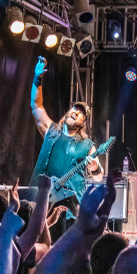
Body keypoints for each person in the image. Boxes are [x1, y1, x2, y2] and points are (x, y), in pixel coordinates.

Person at [30, 55, 104, 208]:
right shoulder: (51, 130)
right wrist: (37, 78)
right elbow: (36, 106)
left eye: (81, 113)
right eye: (75, 108)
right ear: (68, 112)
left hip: (70, 208)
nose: (76, 112)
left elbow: (99, 176)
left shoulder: (87, 145)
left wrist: (95, 168)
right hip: (41, 203)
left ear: (83, 123)